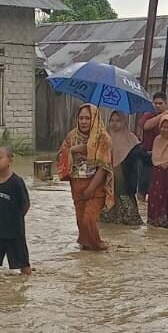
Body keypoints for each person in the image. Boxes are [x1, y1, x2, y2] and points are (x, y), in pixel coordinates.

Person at [57, 103, 113, 251]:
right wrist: (74, 150)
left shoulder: (103, 138)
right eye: (81, 118)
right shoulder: (72, 136)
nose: (83, 121)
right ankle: (87, 255)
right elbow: (60, 156)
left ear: (94, 119)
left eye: (87, 118)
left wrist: (91, 189)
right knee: (81, 222)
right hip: (76, 184)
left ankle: (99, 248)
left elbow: (104, 167)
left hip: (95, 184)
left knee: (89, 219)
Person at [0, 145, 32, 275]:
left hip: (15, 233)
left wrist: (15, 220)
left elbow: (25, 204)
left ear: (10, 160)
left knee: (23, 266)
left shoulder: (16, 182)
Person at [101, 111, 145, 226]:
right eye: (112, 121)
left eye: (118, 121)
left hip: (125, 182)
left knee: (128, 222)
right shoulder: (103, 138)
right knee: (106, 224)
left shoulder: (132, 140)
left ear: (124, 122)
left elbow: (142, 159)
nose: (115, 124)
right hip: (106, 181)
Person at [137, 92, 168, 201]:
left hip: (163, 157)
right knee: (143, 187)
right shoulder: (148, 115)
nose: (157, 106)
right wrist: (161, 115)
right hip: (147, 156)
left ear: (166, 104)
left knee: (160, 188)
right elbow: (146, 126)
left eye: (160, 103)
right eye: (155, 103)